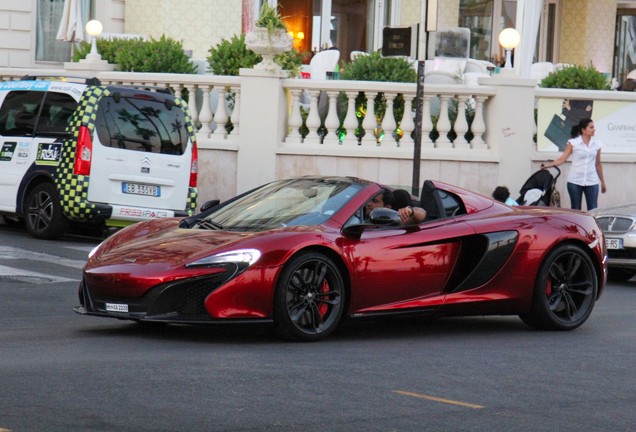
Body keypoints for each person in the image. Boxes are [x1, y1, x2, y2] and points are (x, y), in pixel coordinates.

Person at [541, 118, 606, 210]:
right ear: (583, 130)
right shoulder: (573, 143)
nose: (594, 129)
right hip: (575, 181)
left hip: (592, 181)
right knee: (575, 209)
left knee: (593, 209)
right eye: (591, 127)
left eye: (593, 127)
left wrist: (603, 182)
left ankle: (591, 225)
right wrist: (549, 165)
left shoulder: (597, 144)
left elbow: (598, 164)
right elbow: (562, 159)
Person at [362, 190, 426, 225]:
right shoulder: (358, 214)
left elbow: (422, 213)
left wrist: (410, 211)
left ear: (387, 207)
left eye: (375, 201)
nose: (368, 204)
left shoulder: (393, 220)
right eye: (369, 200)